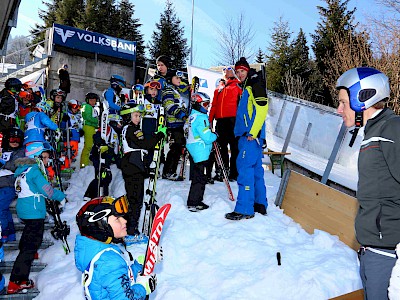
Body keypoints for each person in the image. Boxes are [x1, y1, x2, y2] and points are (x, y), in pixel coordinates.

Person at [336, 67, 400, 300]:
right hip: (371, 249)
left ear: (363, 99)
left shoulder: (392, 129)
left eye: (343, 103)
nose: (339, 109)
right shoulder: (372, 133)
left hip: (387, 253)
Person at [75, 196, 157, 300]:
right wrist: (142, 288)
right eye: (117, 219)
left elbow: (118, 280)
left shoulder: (99, 255)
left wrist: (141, 265)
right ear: (100, 225)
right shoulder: (109, 262)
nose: (124, 221)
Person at [8, 149, 65, 294]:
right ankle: (17, 281)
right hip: (33, 211)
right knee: (30, 244)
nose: (47, 161)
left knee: (29, 235)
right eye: (45, 158)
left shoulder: (21, 172)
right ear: (37, 159)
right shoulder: (33, 171)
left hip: (25, 210)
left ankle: (29, 251)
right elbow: (47, 190)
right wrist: (61, 196)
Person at [225, 57, 268, 221]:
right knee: (256, 171)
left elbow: (262, 109)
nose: (239, 74)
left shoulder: (254, 84)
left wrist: (253, 132)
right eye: (237, 72)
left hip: (249, 137)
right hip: (253, 138)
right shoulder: (248, 86)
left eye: (242, 71)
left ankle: (244, 209)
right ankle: (259, 204)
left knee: (244, 171)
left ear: (247, 70)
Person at [120, 103, 166, 237]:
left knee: (133, 199)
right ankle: (130, 230)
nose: (138, 118)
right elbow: (145, 143)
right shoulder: (132, 129)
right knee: (135, 201)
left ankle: (128, 228)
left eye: (139, 116)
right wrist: (159, 135)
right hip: (133, 168)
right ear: (128, 116)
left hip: (132, 167)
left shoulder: (127, 129)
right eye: (135, 116)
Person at [209, 66, 242, 182]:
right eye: (224, 70)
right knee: (221, 146)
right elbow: (214, 105)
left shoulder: (237, 85)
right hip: (221, 121)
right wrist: (210, 120)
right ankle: (222, 171)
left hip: (233, 120)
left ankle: (234, 173)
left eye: (228, 69)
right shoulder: (218, 89)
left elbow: (244, 102)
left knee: (235, 147)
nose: (225, 71)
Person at [186, 92, 217, 212]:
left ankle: (195, 201)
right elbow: (207, 137)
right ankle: (194, 202)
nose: (207, 107)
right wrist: (215, 135)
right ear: (198, 104)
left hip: (195, 149)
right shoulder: (201, 118)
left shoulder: (192, 116)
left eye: (208, 104)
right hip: (200, 150)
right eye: (205, 104)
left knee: (198, 177)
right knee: (199, 178)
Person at [161, 70, 188, 180]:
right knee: (175, 148)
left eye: (180, 78)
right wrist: (182, 115)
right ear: (170, 79)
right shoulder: (168, 91)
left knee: (178, 147)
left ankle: (172, 171)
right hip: (173, 124)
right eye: (177, 78)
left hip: (179, 124)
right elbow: (169, 107)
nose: (179, 80)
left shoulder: (176, 91)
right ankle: (167, 171)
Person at [83, 120, 120, 200]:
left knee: (105, 177)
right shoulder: (107, 129)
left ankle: (97, 196)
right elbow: (96, 136)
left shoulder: (116, 133)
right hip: (99, 156)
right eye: (118, 123)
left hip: (106, 158)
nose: (120, 125)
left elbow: (115, 150)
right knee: (103, 177)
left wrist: (119, 163)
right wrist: (101, 144)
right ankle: (93, 196)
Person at [0, 128, 25, 243]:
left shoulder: (20, 152)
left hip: (9, 185)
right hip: (1, 183)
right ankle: (10, 233)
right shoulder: (3, 150)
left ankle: (5, 232)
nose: (15, 142)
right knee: (3, 209)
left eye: (17, 140)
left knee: (1, 208)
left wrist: (3, 164)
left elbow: (15, 165)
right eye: (12, 139)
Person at [60, 99, 83, 169]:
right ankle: (64, 167)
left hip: (75, 138)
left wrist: (80, 131)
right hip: (70, 137)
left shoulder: (75, 116)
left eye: (77, 108)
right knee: (69, 152)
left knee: (74, 153)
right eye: (74, 107)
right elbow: (63, 126)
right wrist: (64, 120)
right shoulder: (67, 115)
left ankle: (67, 166)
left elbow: (76, 125)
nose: (76, 109)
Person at [80, 92, 100, 168]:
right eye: (91, 100)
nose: (93, 102)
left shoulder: (89, 107)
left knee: (89, 146)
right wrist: (97, 121)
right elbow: (88, 117)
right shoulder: (87, 106)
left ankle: (85, 163)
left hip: (91, 127)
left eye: (94, 100)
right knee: (88, 146)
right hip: (89, 127)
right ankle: (84, 165)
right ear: (87, 100)